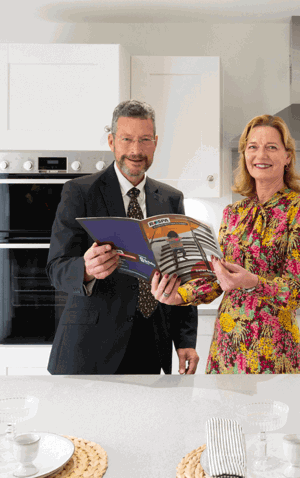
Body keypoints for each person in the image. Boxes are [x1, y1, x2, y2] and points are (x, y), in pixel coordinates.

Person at [151, 114, 300, 374]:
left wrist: (252, 282)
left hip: (273, 350)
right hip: (227, 348)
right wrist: (178, 296)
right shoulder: (234, 213)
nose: (260, 154)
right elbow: (216, 278)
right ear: (245, 155)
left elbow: (297, 291)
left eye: (271, 147)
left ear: (287, 156)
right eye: (252, 147)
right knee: (222, 416)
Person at [46, 99, 200, 375]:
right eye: (127, 139)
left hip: (152, 347)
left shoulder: (171, 199)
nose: (136, 150)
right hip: (90, 350)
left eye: (144, 140)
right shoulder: (79, 192)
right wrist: (86, 269)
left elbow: (182, 275)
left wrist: (185, 340)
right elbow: (56, 267)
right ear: (111, 141)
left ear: (155, 142)